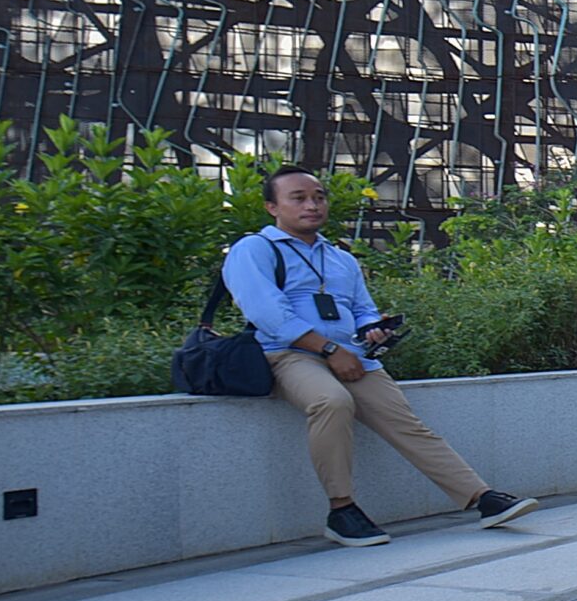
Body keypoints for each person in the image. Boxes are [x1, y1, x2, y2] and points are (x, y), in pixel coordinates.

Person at [230, 167, 538, 547]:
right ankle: (341, 510)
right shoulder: (255, 250)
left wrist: (372, 328)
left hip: (352, 355)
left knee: (405, 422)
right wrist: (329, 349)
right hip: (290, 355)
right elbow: (268, 314)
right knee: (331, 402)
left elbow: (362, 308)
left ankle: (482, 498)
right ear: (271, 206)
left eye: (319, 197)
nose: (312, 205)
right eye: (299, 198)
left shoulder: (340, 258)